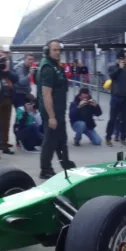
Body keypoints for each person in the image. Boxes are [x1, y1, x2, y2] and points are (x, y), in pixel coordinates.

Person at [37, 39, 73, 179]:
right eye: (55, 50)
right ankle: (45, 169)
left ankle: (66, 164)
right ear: (48, 51)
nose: (58, 52)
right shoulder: (47, 68)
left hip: (58, 110)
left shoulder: (54, 65)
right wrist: (51, 116)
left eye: (59, 50)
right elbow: (46, 94)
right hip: (52, 111)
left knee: (61, 139)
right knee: (50, 140)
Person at [105, 49, 126, 146]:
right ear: (118, 59)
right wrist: (120, 67)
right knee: (113, 119)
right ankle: (108, 138)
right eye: (123, 58)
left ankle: (123, 137)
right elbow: (112, 76)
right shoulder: (113, 67)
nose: (125, 60)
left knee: (125, 119)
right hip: (116, 97)